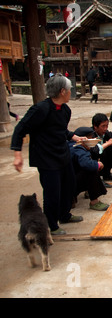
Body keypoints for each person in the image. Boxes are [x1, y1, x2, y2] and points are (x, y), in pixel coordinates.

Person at [10, 74, 85, 235]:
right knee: (52, 193)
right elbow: (20, 129)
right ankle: (52, 224)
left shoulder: (65, 110)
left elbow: (59, 129)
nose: (72, 91)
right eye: (70, 89)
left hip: (62, 153)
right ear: (63, 91)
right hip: (46, 157)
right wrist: (17, 154)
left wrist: (74, 136)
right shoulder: (40, 109)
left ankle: (65, 215)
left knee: (70, 185)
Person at [69, 127, 109, 211]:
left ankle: (87, 191)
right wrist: (98, 164)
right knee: (91, 170)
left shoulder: (71, 144)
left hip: (68, 179)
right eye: (91, 138)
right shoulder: (77, 148)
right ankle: (94, 201)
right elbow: (86, 164)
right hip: (70, 183)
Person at [91, 113, 112, 183]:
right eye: (103, 126)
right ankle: (97, 178)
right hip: (91, 156)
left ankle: (107, 174)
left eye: (107, 126)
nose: (105, 128)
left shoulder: (106, 133)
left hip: (100, 154)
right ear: (95, 126)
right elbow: (95, 150)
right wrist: (108, 143)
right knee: (104, 150)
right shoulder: (90, 134)